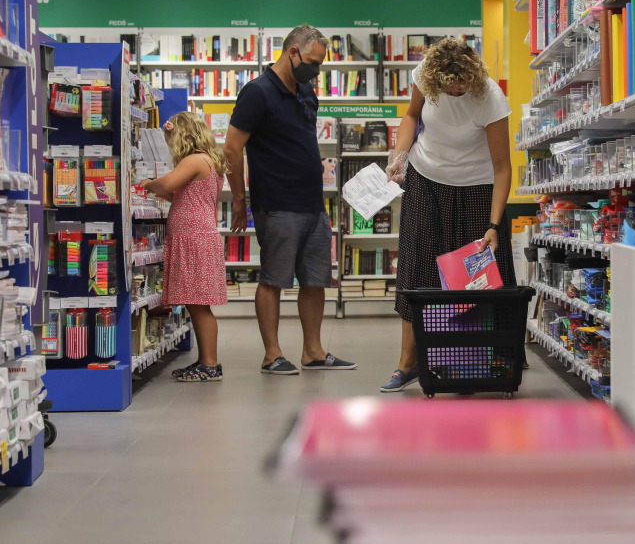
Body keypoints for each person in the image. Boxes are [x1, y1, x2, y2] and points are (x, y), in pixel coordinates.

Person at [380, 38, 516, 392]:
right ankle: (407, 362)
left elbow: (503, 168)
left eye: (462, 84)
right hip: (425, 178)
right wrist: (399, 155)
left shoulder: (490, 97)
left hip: (477, 188)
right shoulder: (424, 77)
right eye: (449, 85)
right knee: (417, 269)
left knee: (476, 275)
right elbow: (411, 116)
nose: (455, 90)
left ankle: (478, 359)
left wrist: (494, 224)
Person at [223, 24, 355, 375]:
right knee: (274, 279)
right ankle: (272, 355)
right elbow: (232, 148)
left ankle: (313, 352)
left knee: (315, 279)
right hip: (277, 203)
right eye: (313, 62)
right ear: (292, 52)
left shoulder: (306, 90)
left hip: (313, 203)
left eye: (320, 64)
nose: (317, 70)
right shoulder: (257, 92)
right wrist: (239, 200)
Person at [142, 112, 228, 382]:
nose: (169, 144)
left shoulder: (195, 160)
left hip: (194, 238)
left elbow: (167, 183)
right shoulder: (207, 160)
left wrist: (147, 184)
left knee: (199, 305)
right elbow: (181, 195)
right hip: (195, 237)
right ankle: (205, 361)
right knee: (196, 303)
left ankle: (210, 365)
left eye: (170, 138)